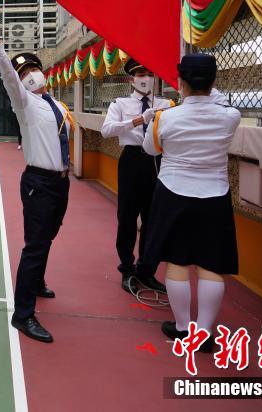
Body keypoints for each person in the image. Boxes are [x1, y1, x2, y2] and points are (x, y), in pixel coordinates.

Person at [0, 13, 72, 343]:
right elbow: (6, 74)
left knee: (48, 236)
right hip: (39, 182)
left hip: (61, 182)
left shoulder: (57, 106)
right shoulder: (26, 104)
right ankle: (23, 315)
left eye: (33, 69)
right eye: (24, 73)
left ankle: (36, 281)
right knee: (35, 245)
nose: (30, 75)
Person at [142, 54, 241, 353]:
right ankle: (204, 332)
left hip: (174, 192)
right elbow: (218, 99)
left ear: (181, 83)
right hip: (215, 194)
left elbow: (149, 149)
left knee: (178, 262)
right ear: (213, 82)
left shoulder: (165, 116)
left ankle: (183, 328)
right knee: (211, 265)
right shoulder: (230, 116)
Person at [101, 59, 173, 295]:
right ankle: (127, 269)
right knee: (128, 216)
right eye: (140, 74)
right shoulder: (120, 103)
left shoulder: (165, 104)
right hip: (132, 159)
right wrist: (139, 120)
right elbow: (107, 130)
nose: (145, 78)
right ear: (131, 79)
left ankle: (147, 270)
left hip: (156, 161)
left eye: (149, 73)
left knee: (153, 218)